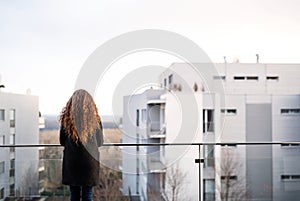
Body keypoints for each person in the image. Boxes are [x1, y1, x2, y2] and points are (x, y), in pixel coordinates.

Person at [59, 89, 103, 201]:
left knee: (74, 194)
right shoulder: (95, 120)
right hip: (89, 162)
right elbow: (100, 142)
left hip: (72, 162)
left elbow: (62, 141)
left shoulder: (66, 120)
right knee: (87, 194)